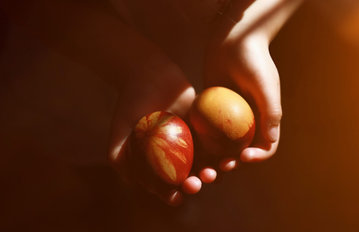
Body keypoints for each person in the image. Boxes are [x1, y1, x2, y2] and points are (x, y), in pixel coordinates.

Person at [1, 0, 303, 205]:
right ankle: (108, 207)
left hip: (193, 45)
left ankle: (124, 208)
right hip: (67, 62)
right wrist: (126, 60)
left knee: (137, 165)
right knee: (88, 146)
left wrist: (249, 26)